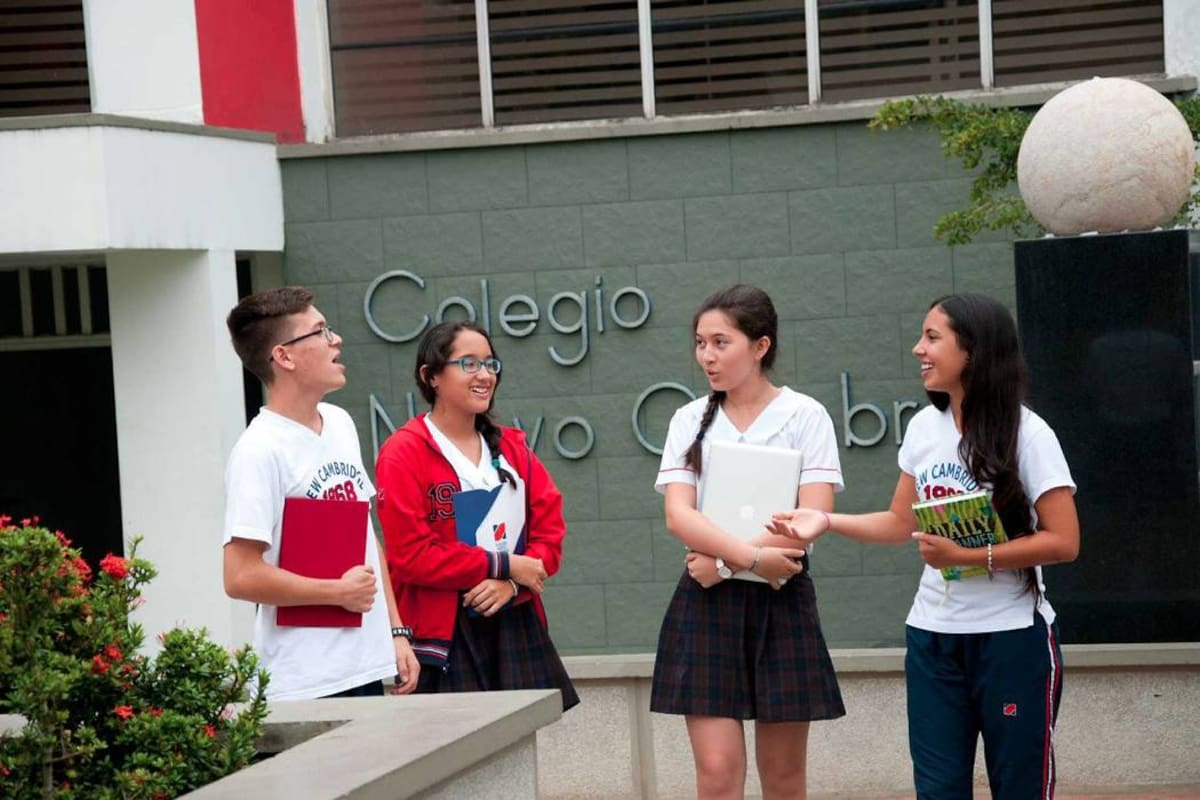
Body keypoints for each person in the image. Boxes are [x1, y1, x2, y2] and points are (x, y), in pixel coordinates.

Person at [769, 293, 1080, 800]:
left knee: (1019, 786)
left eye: (933, 337)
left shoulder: (1029, 433)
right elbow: (898, 522)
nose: (918, 349)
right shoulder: (923, 428)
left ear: (974, 351)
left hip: (1012, 640)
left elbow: (1064, 541)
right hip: (932, 638)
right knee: (937, 790)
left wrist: (967, 559)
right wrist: (823, 519)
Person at [652, 284, 846, 800]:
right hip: (706, 600)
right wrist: (746, 558)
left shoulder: (806, 416)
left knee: (783, 778)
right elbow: (678, 514)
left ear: (760, 346)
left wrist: (725, 562)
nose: (707, 357)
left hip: (781, 600)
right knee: (717, 773)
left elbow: (813, 515)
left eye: (721, 342)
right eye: (700, 343)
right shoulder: (687, 419)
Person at [222, 286, 419, 700]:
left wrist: (395, 631)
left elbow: (365, 536)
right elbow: (240, 576)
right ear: (285, 356)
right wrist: (335, 593)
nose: (336, 340)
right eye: (321, 331)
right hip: (305, 683)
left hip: (366, 666)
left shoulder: (339, 422)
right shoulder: (259, 451)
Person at [374, 321, 578, 711]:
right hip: (444, 631)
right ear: (430, 376)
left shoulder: (514, 448)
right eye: (468, 364)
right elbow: (410, 557)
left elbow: (548, 536)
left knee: (518, 751)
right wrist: (504, 564)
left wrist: (512, 584)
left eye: (490, 364)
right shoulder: (403, 452)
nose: (484, 375)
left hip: (512, 621)